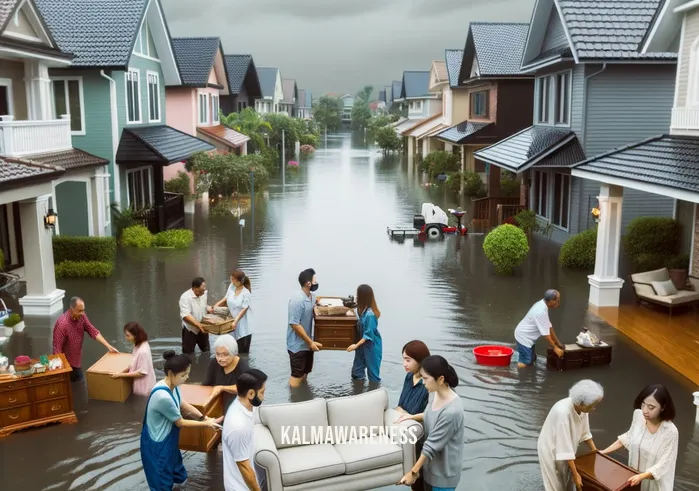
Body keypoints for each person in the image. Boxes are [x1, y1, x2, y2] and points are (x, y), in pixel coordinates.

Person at [140, 350, 220, 490]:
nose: (187, 377)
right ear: (171, 374)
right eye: (183, 375)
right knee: (162, 482)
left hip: (169, 442)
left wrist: (203, 417)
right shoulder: (162, 396)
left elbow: (183, 404)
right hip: (157, 446)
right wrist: (206, 424)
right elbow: (180, 422)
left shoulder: (174, 387)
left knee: (178, 474)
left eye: (188, 373)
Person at [397, 355, 464, 491]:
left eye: (426, 378)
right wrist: (411, 417)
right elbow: (431, 414)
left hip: (443, 477)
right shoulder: (434, 393)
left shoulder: (452, 411)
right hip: (429, 469)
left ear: (440, 379)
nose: (423, 382)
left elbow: (431, 446)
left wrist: (412, 473)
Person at [600, 385, 678, 491]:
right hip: (633, 478)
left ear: (663, 407)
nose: (645, 410)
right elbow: (628, 437)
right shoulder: (638, 415)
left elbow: (664, 464)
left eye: (651, 407)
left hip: (654, 484)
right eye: (643, 404)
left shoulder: (670, 432)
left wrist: (641, 476)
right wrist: (603, 452)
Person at [538, 380, 603, 491]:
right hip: (551, 449)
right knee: (555, 485)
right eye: (592, 406)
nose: (593, 409)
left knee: (567, 481)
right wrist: (576, 474)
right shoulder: (563, 413)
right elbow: (564, 448)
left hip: (567, 448)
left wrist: (595, 451)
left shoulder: (583, 409)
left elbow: (585, 433)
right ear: (582, 404)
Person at [52, 296, 119, 382]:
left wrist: (109, 346)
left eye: (83, 310)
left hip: (76, 362)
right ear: (71, 310)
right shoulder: (62, 324)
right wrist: (61, 370)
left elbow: (93, 331)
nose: (83, 313)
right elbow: (57, 349)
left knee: (79, 385)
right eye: (80, 311)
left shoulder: (82, 317)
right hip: (66, 365)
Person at [222, 368, 268, 491]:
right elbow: (244, 468)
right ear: (251, 394)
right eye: (262, 392)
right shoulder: (238, 426)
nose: (264, 396)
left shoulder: (244, 405)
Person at [396, 340, 431, 491]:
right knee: (415, 485)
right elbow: (400, 406)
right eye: (403, 359)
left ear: (420, 361)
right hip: (409, 434)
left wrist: (409, 416)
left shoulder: (429, 383)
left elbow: (431, 414)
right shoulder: (409, 377)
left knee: (425, 481)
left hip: (424, 439)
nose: (404, 364)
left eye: (408, 360)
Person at [287, 268, 322, 388]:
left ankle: (305, 397)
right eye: (315, 281)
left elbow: (315, 305)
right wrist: (310, 343)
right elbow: (294, 324)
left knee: (305, 373)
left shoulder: (312, 297)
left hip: (308, 344)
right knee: (296, 376)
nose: (316, 283)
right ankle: (294, 399)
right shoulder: (297, 300)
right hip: (297, 346)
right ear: (308, 284)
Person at [515, 290, 565, 369]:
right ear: (551, 301)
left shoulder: (543, 304)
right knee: (525, 361)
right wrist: (555, 348)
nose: (558, 303)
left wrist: (558, 343)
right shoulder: (541, 312)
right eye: (557, 301)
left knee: (532, 358)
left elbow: (549, 326)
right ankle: (519, 375)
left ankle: (527, 372)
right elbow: (546, 336)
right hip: (523, 337)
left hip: (528, 336)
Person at [203, 335, 250, 414]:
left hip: (236, 410)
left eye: (225, 355)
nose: (220, 359)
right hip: (217, 407)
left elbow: (246, 388)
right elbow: (206, 384)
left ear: (233, 353)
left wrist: (222, 388)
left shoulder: (243, 368)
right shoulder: (214, 363)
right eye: (218, 354)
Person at [347, 284, 382, 382]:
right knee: (356, 374)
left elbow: (368, 335)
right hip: (362, 347)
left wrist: (355, 345)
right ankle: (359, 392)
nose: (356, 297)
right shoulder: (361, 310)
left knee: (373, 376)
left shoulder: (370, 315)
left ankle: (375, 392)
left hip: (371, 347)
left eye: (358, 295)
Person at [211, 270, 253, 353]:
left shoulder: (246, 293)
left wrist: (235, 322)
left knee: (242, 354)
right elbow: (225, 298)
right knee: (231, 351)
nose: (231, 281)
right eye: (231, 279)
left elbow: (244, 309)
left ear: (240, 281)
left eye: (233, 279)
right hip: (231, 323)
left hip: (243, 328)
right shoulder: (231, 287)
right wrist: (215, 307)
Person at [111, 322, 156, 396]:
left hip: (144, 387)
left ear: (136, 336)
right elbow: (134, 362)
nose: (126, 338)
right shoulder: (141, 344)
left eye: (128, 336)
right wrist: (122, 371)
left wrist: (120, 375)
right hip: (144, 382)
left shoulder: (143, 351)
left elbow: (141, 373)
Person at [179, 277, 210, 355]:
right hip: (190, 330)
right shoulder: (185, 297)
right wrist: (198, 325)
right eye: (203, 289)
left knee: (206, 352)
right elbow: (186, 315)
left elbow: (204, 306)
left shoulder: (204, 294)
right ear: (196, 289)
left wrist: (209, 308)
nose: (204, 290)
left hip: (202, 328)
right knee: (187, 355)